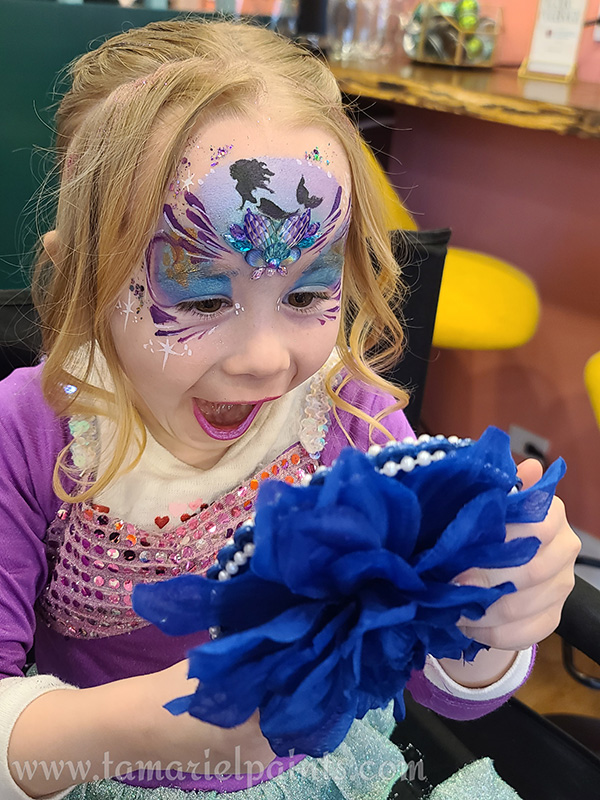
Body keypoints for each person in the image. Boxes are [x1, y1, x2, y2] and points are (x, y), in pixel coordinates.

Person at [0, 18, 580, 800]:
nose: (267, 360)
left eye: (308, 292)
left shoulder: (351, 419)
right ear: (77, 280)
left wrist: (489, 623)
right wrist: (132, 726)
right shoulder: (31, 433)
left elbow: (437, 685)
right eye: (204, 295)